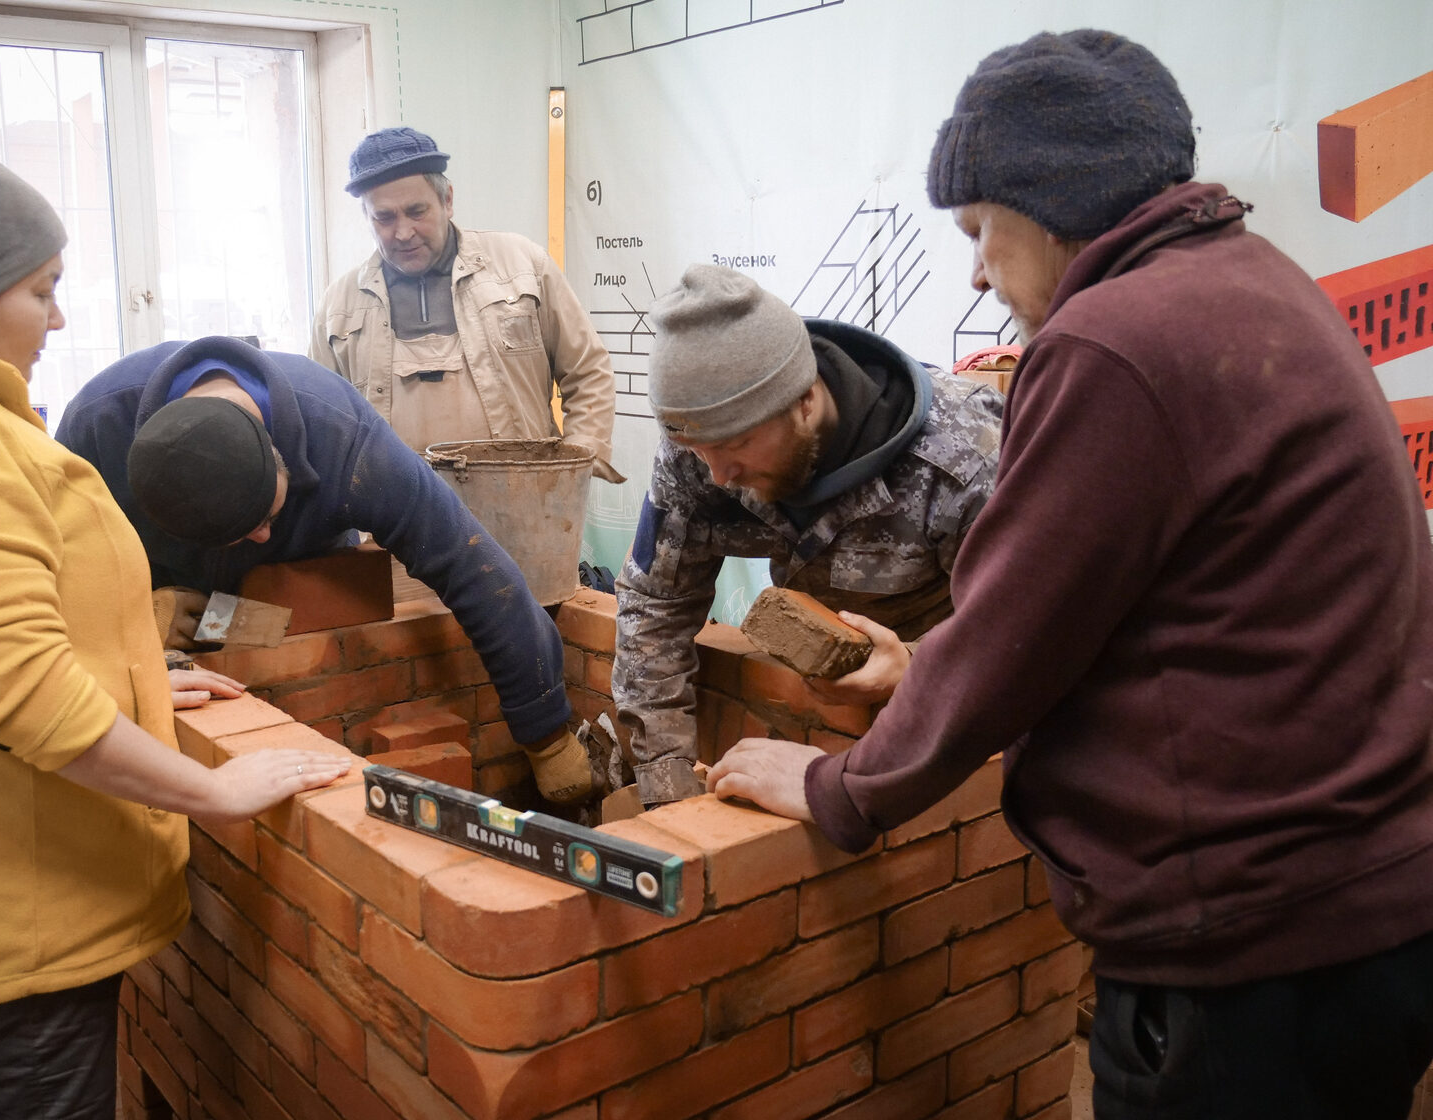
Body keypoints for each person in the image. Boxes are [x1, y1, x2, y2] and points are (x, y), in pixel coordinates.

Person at [706, 30, 1433, 1118]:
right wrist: (923, 668)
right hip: (1372, 913)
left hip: (1250, 949)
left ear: (1047, 203)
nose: (975, 270)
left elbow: (1014, 634)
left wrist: (834, 788)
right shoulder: (1257, 281)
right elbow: (1142, 610)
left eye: (982, 230)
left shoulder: (1111, 341)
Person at [0, 128, 349, 1119]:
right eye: (40, 288)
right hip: (11, 915)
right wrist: (214, 790)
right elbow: (18, 690)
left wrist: (133, 672)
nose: (59, 316)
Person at [54, 336, 595, 804]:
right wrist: (118, 623)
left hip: (283, 600)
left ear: (277, 449)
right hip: (163, 599)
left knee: (281, 631)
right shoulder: (95, 429)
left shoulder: (346, 440)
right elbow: (41, 577)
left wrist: (544, 731)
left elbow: (473, 567)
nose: (260, 536)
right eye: (243, 532)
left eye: (269, 516)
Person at [613, 263, 1002, 806]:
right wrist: (667, 786)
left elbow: (1026, 637)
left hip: (958, 719)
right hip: (826, 722)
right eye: (701, 453)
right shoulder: (702, 451)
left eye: (738, 445)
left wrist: (913, 667)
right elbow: (657, 603)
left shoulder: (964, 462)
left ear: (805, 400)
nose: (719, 475)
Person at [311, 126, 622, 481]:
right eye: (384, 217)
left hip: (524, 505)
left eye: (416, 211)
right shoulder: (339, 307)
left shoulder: (522, 266)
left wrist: (576, 467)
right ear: (366, 217)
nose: (403, 232)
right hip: (393, 523)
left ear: (448, 201)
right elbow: (319, 418)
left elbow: (588, 370)